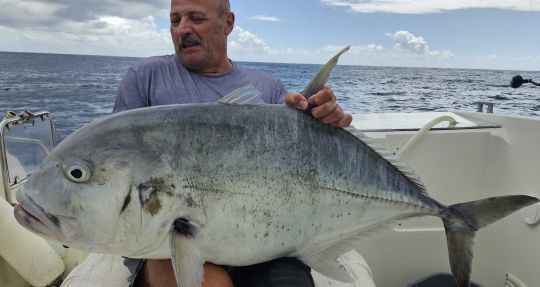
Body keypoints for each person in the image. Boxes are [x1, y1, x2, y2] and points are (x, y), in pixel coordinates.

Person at [62, 0, 352, 286]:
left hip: (264, 241)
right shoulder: (145, 77)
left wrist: (319, 119)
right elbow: (114, 168)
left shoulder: (268, 87)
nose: (182, 29)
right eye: (175, 20)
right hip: (167, 241)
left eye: (195, 18)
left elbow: (300, 169)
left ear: (228, 23)